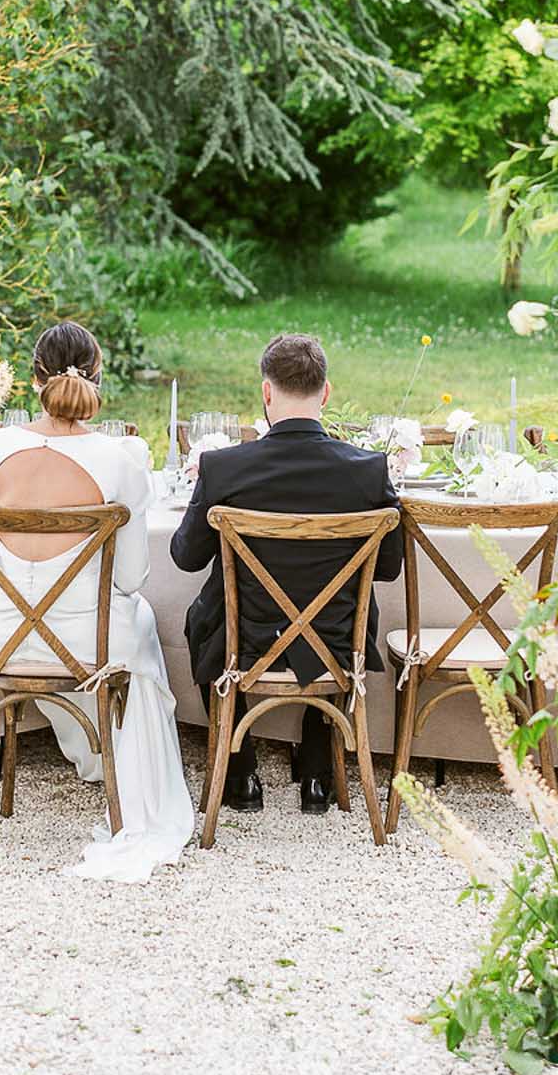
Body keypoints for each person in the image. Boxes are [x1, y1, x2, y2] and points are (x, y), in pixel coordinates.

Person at [0, 320, 194, 881]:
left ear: (32, 378)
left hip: (3, 636)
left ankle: (94, 757)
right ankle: (115, 769)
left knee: (129, 625)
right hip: (87, 643)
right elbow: (133, 577)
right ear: (97, 379)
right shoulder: (122, 457)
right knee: (137, 623)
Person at [170, 332, 402, 815]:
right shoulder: (367, 470)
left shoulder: (224, 468)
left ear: (267, 392)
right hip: (338, 638)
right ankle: (317, 774)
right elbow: (389, 567)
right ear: (326, 392)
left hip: (245, 639)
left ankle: (240, 775)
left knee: (200, 617)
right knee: (346, 613)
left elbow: (185, 557)